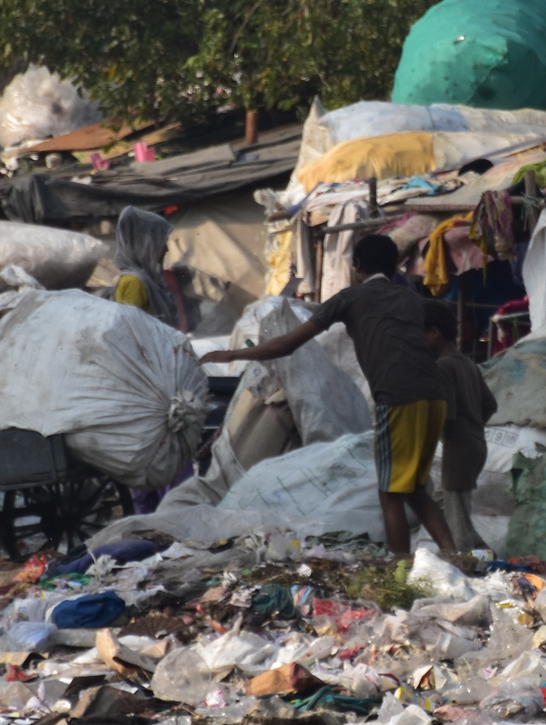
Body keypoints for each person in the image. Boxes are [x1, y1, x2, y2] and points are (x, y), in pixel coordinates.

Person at [197, 234, 457, 558]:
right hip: (434, 398)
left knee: (390, 494)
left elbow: (288, 344)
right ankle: (453, 555)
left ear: (357, 265)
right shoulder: (411, 299)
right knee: (415, 489)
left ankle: (400, 570)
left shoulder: (349, 298)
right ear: (394, 267)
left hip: (398, 399)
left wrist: (231, 354)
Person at [424, 301, 495, 555]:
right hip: (476, 444)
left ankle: (463, 562)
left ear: (434, 333)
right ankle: (483, 549)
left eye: (422, 335)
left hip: (458, 448)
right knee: (443, 502)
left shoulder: (443, 366)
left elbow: (446, 414)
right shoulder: (467, 363)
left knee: (456, 515)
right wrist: (473, 425)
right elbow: (490, 404)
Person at [112, 207, 182, 329]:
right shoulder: (134, 283)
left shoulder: (150, 281)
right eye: (161, 242)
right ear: (144, 244)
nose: (166, 249)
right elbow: (132, 332)